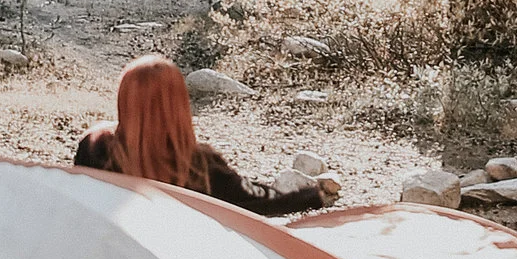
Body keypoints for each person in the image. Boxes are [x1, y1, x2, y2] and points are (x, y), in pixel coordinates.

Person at [74, 54, 335, 215]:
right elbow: (260, 202)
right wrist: (314, 196)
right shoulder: (201, 166)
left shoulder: (95, 146)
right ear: (179, 106)